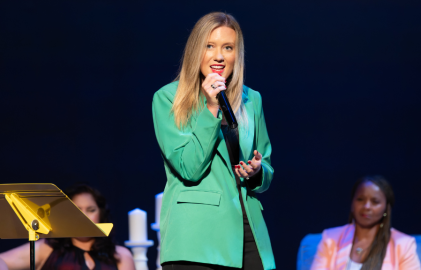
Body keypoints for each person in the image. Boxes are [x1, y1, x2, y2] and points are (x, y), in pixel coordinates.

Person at [152, 12, 275, 270]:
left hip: (248, 231)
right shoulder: (168, 99)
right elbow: (189, 167)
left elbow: (266, 166)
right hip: (197, 237)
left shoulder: (252, 100)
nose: (219, 56)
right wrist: (210, 108)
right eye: (210, 46)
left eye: (228, 48)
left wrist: (255, 172)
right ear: (196, 50)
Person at [0, 184, 135, 270]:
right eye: (76, 210)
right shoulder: (47, 248)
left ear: (101, 214)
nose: (84, 216)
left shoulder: (120, 255)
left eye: (91, 210)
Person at [310, 176, 421, 270]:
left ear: (386, 209)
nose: (366, 206)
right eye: (360, 199)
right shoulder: (330, 238)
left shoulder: (403, 245)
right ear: (352, 204)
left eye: (375, 202)